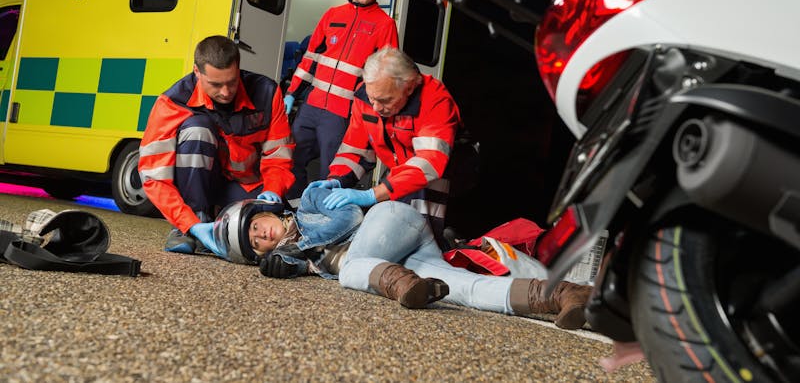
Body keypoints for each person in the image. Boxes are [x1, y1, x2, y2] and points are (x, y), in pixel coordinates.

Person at [188, 187, 592, 330]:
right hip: (401, 260)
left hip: (391, 221)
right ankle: (564, 296)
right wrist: (293, 263)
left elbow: (350, 216)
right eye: (255, 243)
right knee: (466, 290)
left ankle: (402, 286)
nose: (261, 235)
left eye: (257, 225)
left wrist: (300, 248)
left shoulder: (308, 201)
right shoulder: (299, 257)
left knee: (349, 272)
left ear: (267, 211)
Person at [138, 35, 295, 254]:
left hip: (244, 186)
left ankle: (216, 219)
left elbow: (279, 154)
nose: (225, 92)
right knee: (197, 129)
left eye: (232, 82)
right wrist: (189, 223)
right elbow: (154, 175)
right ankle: (192, 224)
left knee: (282, 233)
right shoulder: (172, 103)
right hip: (197, 188)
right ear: (196, 71)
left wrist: (273, 190)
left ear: (238, 68)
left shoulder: (266, 93)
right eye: (215, 84)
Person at [309, 47, 460, 249]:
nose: (376, 107)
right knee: (382, 227)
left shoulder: (436, 100)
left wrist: (374, 194)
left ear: (409, 87)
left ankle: (445, 245)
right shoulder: (367, 94)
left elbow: (429, 162)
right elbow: (355, 150)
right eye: (372, 99)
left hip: (436, 175)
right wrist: (336, 180)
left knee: (420, 236)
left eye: (385, 100)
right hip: (399, 172)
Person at [283, 0, 399, 200]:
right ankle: (291, 209)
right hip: (311, 106)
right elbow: (310, 58)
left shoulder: (384, 24)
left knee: (332, 173)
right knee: (291, 160)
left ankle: (321, 214)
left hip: (341, 113)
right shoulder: (333, 15)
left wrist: (368, 113)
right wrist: (292, 93)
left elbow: (385, 74)